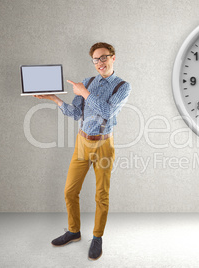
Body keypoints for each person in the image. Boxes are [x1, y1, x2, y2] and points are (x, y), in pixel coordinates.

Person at [33, 42, 131, 261]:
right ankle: (74, 231)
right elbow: (76, 113)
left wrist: (85, 92)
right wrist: (55, 99)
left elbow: (107, 112)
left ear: (113, 58)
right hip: (82, 143)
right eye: (96, 60)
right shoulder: (86, 82)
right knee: (69, 191)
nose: (100, 63)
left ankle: (97, 237)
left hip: (104, 145)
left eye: (104, 58)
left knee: (101, 195)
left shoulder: (122, 86)